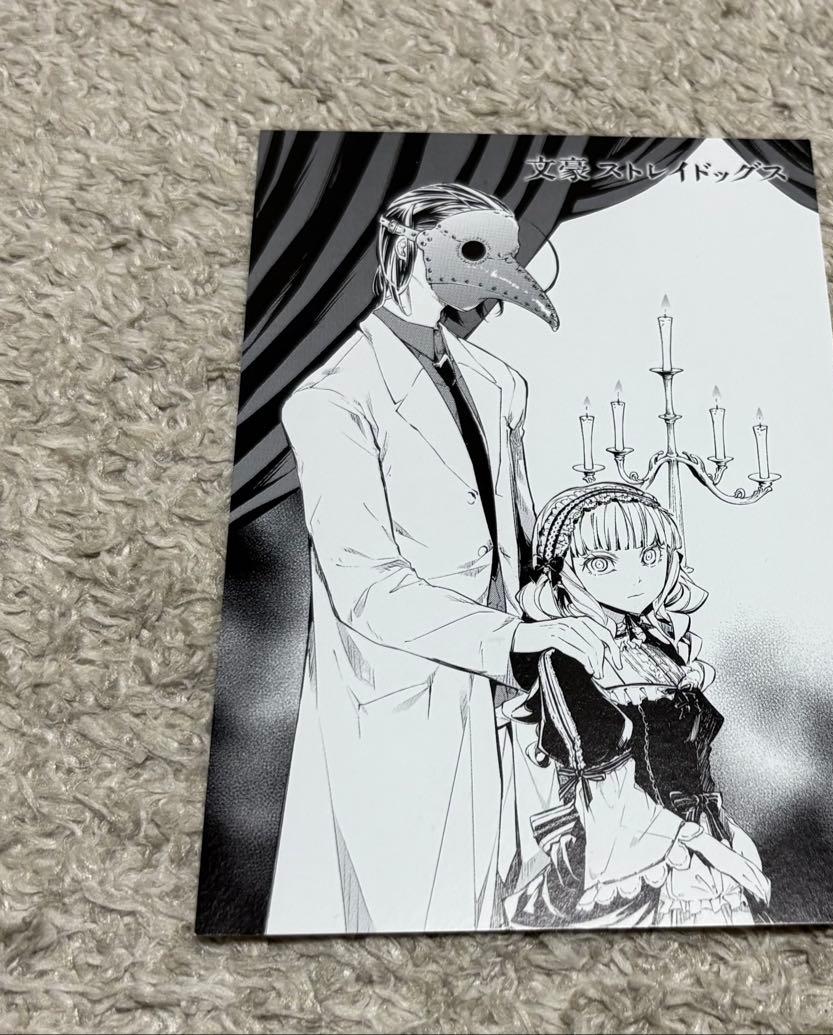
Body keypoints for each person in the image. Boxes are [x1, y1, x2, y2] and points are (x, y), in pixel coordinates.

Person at [265, 184, 619, 935]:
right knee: (404, 917)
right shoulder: (332, 397)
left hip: (511, 705)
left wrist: (575, 609)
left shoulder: (500, 385)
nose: (501, 273)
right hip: (402, 701)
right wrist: (513, 640)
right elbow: (364, 585)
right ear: (406, 252)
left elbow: (522, 543)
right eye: (473, 251)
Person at [504, 483, 771, 928]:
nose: (636, 578)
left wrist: (722, 834)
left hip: (700, 834)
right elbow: (603, 791)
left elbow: (690, 762)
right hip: (622, 847)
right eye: (602, 563)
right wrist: (698, 844)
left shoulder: (657, 646)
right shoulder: (563, 658)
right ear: (560, 573)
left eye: (650, 556)